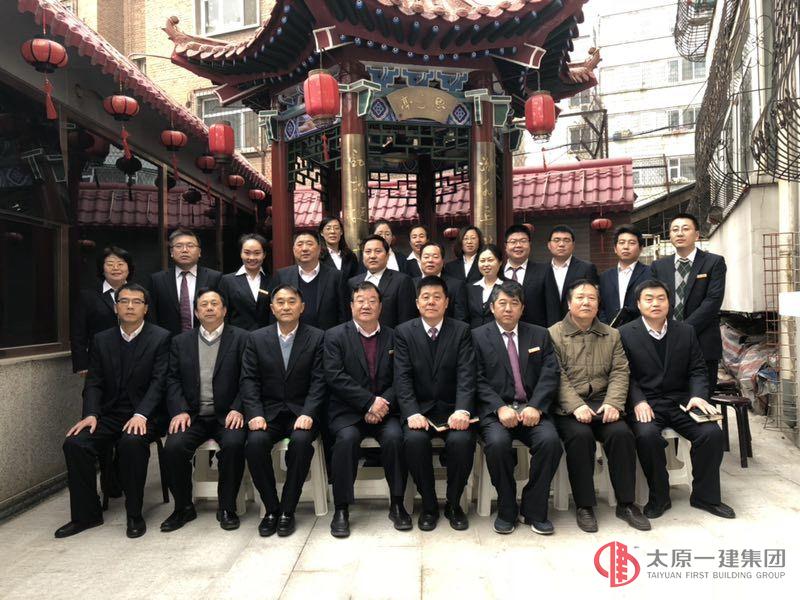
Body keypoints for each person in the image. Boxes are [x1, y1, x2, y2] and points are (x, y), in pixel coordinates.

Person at [56, 283, 170, 539]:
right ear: (115, 307)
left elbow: (159, 383)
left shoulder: (161, 337)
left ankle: (134, 513)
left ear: (145, 308)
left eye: (137, 302)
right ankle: (87, 515)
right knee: (75, 443)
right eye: (124, 301)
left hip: (146, 415)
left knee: (132, 442)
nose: (130, 306)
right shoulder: (102, 339)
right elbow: (94, 382)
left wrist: (141, 415)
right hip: (108, 415)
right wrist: (91, 414)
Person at [620, 279, 734, 519]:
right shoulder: (625, 334)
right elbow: (624, 374)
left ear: (669, 302)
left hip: (682, 402)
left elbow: (698, 369)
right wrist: (638, 401)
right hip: (647, 403)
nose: (655, 304)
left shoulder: (685, 331)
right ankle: (659, 497)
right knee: (647, 436)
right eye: (649, 299)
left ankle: (705, 497)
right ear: (638, 304)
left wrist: (697, 396)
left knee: (711, 434)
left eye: (661, 298)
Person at [548, 280, 650, 533]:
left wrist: (613, 403)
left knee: (622, 434)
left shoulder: (612, 334)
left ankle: (626, 504)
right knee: (580, 438)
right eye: (580, 297)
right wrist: (575, 406)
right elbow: (556, 375)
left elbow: (620, 371)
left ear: (598, 303)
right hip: (569, 408)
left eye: (592, 298)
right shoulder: (553, 334)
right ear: (569, 303)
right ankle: (584, 505)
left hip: (604, 402)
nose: (586, 302)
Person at [473, 281, 563, 535]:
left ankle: (534, 508)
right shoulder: (477, 336)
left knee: (550, 442)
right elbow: (475, 378)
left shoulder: (539, 334)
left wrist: (536, 406)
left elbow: (550, 374)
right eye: (502, 303)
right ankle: (507, 506)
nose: (508, 308)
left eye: (514, 303)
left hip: (531, 410)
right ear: (492, 307)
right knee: (497, 444)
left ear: (522, 308)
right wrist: (499, 408)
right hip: (496, 412)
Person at [324, 282, 411, 537]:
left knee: (396, 438)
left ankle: (397, 503)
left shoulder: (395, 336)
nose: (366, 305)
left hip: (386, 409)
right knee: (346, 440)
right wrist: (368, 402)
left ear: (380, 307)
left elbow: (402, 377)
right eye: (360, 300)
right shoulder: (334, 336)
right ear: (351, 306)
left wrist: (382, 403)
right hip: (348, 411)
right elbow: (335, 377)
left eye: (372, 301)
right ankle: (341, 508)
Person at [160, 288, 250, 533]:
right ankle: (183, 507)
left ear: (224, 310)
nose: (209, 308)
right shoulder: (181, 342)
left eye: (214, 303)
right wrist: (179, 410)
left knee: (233, 445)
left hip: (228, 415)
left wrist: (238, 408)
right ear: (196, 312)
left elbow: (249, 378)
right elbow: (172, 379)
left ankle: (227, 507)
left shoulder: (242, 339)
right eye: (204, 305)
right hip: (192, 415)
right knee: (173, 447)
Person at [241, 284, 327, 537]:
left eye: (291, 301)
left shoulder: (317, 337)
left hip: (302, 412)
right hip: (268, 413)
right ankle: (271, 508)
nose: (286, 307)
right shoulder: (256, 338)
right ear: (272, 308)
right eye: (280, 302)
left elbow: (320, 381)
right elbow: (249, 380)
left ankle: (288, 509)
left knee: (300, 443)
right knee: (254, 444)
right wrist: (255, 413)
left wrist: (309, 412)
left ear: (302, 307)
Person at [395, 276, 477, 531]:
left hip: (453, 409)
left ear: (446, 302)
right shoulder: (404, 332)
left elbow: (466, 374)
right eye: (426, 297)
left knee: (462, 441)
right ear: (417, 303)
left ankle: (453, 503)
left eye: (437, 297)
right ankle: (429, 504)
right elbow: (402, 377)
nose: (431, 302)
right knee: (414, 441)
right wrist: (411, 412)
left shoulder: (461, 330)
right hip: (419, 411)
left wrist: (462, 409)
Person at [650, 213, 726, 393]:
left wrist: (683, 330)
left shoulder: (713, 262)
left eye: (685, 229)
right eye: (675, 230)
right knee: (670, 397)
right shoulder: (659, 266)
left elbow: (713, 301)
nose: (679, 233)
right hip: (666, 342)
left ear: (697, 235)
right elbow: (655, 301)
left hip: (703, 342)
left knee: (701, 397)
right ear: (670, 235)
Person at [71, 246, 134, 374]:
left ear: (129, 268)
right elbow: (78, 333)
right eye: (110, 264)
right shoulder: (87, 296)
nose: (115, 268)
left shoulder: (140, 294)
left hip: (135, 359)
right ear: (102, 269)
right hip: (99, 361)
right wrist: (81, 364)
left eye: (120, 264)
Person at [148, 228, 222, 336]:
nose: (185, 250)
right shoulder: (157, 280)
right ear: (171, 252)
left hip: (207, 338)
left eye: (190, 246)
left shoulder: (215, 278)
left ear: (199, 252)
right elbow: (152, 316)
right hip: (168, 341)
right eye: (179, 246)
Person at [271, 231, 347, 331]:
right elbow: (274, 313)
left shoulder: (336, 276)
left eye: (309, 244)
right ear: (293, 250)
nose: (304, 249)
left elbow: (343, 315)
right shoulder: (282, 276)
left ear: (319, 249)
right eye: (299, 244)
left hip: (326, 337)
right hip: (292, 336)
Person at [348, 235, 417, 328]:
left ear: (387, 256)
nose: (372, 256)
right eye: (368, 251)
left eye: (378, 251)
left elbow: (407, 320)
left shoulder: (402, 281)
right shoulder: (352, 282)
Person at [543, 225, 599, 326]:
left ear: (573, 245)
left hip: (578, 326)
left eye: (566, 240)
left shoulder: (586, 268)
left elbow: (594, 298)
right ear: (549, 245)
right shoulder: (541, 270)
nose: (561, 244)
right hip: (547, 327)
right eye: (556, 240)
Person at [599, 226, 652, 325]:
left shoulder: (650, 273)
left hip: (640, 330)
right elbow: (601, 307)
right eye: (621, 242)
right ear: (615, 248)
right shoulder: (604, 277)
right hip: (609, 331)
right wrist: (606, 328)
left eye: (631, 243)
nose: (626, 247)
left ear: (641, 248)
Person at [220, 233, 272, 331]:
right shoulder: (227, 281)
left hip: (265, 336)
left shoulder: (271, 280)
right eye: (247, 253)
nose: (251, 258)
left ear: (264, 255)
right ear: (241, 253)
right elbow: (223, 314)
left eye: (257, 253)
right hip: (237, 337)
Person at [502, 224, 547, 327]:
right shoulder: (496, 273)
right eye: (513, 241)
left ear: (529, 244)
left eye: (523, 241)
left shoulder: (544, 271)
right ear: (506, 246)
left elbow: (551, 307)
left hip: (535, 331)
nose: (518, 245)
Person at [414, 241, 467, 321]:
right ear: (420, 260)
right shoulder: (410, 284)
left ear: (442, 261)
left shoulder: (456, 286)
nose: (430, 260)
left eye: (435, 257)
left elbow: (460, 318)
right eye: (426, 257)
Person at [464, 244, 504, 329]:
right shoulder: (469, 288)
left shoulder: (508, 286)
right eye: (482, 261)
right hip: (473, 334)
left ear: (500, 262)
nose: (486, 264)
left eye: (490, 260)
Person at [319, 216, 361, 282]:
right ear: (322, 233)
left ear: (341, 232)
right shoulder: (317, 256)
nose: (332, 231)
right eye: (328, 228)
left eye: (336, 228)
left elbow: (356, 280)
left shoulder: (350, 256)